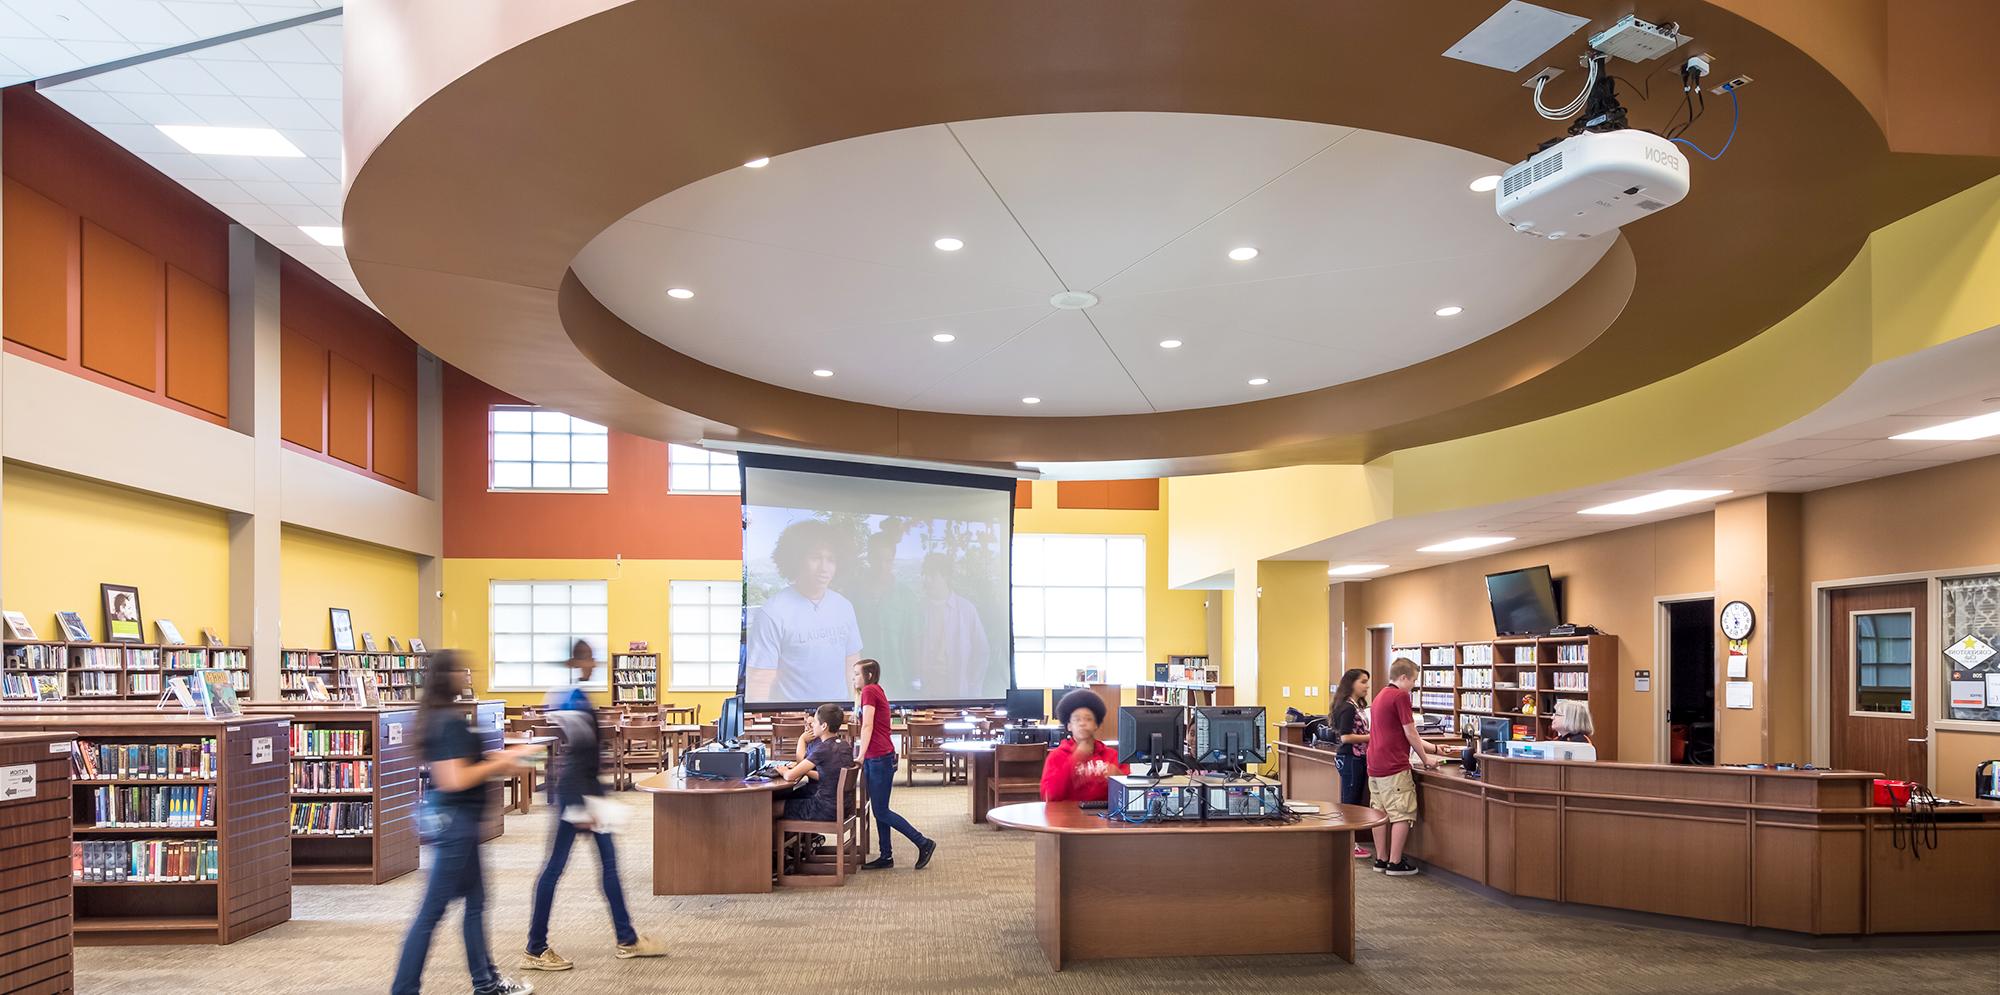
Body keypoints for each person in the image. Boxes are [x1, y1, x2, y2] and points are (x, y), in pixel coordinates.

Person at [391, 652, 544, 995]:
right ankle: (403, 989)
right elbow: (453, 779)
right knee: (430, 913)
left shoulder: (440, 717)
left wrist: (494, 759)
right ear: (448, 675)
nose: (468, 675)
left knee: (476, 902)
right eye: (462, 670)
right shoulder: (448, 722)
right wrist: (501, 762)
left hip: (458, 822)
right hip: (454, 824)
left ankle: (486, 983)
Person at [519, 642, 664, 973]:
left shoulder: (571, 696)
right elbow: (582, 755)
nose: (594, 663)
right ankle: (536, 947)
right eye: (589, 657)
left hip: (582, 793)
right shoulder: (572, 699)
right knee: (558, 868)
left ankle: (626, 939)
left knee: (600, 866)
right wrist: (587, 806)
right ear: (577, 660)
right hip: (579, 796)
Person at [746, 518, 862, 702]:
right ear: (797, 559)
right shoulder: (772, 613)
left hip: (839, 718)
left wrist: (857, 709)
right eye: (815, 557)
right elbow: (760, 679)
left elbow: (853, 665)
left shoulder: (844, 607)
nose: (824, 568)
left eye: (831, 559)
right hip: (792, 720)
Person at [1366, 659, 1449, 877]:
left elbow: (1402, 732)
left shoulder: (1380, 695)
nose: (1414, 685)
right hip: (1394, 765)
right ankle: (1395, 863)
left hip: (1375, 764)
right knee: (1402, 813)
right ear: (1403, 678)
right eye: (1413, 680)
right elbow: (1410, 733)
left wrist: (1437, 749)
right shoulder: (1401, 696)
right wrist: (1426, 759)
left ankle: (1381, 859)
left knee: (1380, 813)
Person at [852, 658, 937, 869]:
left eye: (856, 674)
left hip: (878, 757)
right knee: (880, 809)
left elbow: (868, 726)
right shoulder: (874, 690)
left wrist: (860, 755)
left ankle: (923, 842)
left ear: (868, 675)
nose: (853, 678)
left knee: (881, 811)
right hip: (879, 756)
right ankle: (886, 856)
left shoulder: (869, 691)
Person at [916, 553, 990, 696]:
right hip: (927, 690)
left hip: (958, 690)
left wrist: (972, 684)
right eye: (925, 574)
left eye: (932, 575)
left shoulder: (966, 609)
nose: (927, 580)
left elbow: (982, 650)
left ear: (946, 577)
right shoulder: (919, 608)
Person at [771, 702, 855, 821]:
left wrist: (784, 771)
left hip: (824, 808)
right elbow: (829, 774)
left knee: (772, 808)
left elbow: (790, 776)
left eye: (814, 722)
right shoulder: (844, 745)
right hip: (843, 806)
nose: (812, 726)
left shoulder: (823, 748)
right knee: (791, 798)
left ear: (824, 726)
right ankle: (797, 839)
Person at [1040, 689, 1126, 802]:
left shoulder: (1112, 756)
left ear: (1096, 724)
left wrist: (1119, 779)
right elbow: (1050, 796)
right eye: (1077, 719)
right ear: (1069, 726)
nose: (1082, 723)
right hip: (1066, 816)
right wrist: (1076, 758)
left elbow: (1128, 798)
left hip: (1102, 817)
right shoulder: (1056, 756)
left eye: (1088, 719)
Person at [1328, 668, 1373, 858]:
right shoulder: (1347, 707)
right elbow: (1345, 737)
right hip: (1351, 758)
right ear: (1351, 683)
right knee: (1350, 802)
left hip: (1358, 758)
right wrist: (1371, 737)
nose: (1367, 686)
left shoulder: (1356, 705)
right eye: (1363, 682)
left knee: (1353, 800)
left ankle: (1350, 842)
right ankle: (1348, 844)